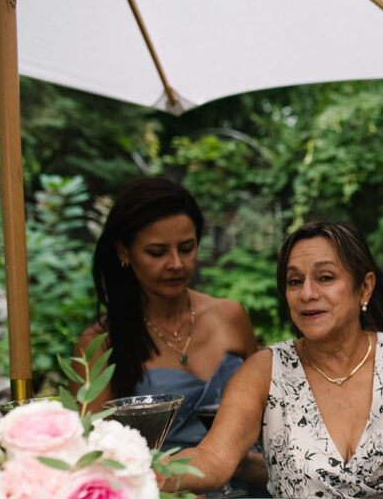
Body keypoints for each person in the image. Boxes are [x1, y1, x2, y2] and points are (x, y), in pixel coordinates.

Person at [163, 221, 383, 499]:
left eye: (325, 277)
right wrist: (142, 473)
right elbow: (213, 458)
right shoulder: (264, 370)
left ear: (365, 287)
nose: (307, 293)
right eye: (294, 281)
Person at [73, 177, 258, 453]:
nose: (176, 264)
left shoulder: (230, 316)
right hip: (167, 491)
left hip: (251, 487)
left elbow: (268, 414)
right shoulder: (100, 345)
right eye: (157, 252)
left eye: (186, 248)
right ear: (124, 251)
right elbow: (95, 456)